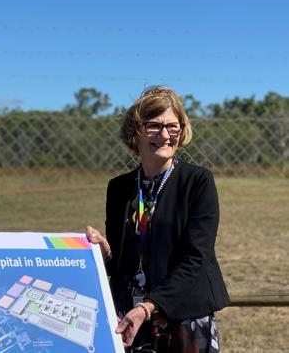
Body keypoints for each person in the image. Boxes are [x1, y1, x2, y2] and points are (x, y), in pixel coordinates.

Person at [86, 86, 229, 352]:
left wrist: (148, 306)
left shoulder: (197, 182)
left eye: (173, 127)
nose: (165, 135)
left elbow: (196, 258)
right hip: (131, 319)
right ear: (135, 132)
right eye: (153, 125)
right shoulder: (119, 188)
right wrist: (105, 253)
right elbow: (126, 257)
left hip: (183, 315)